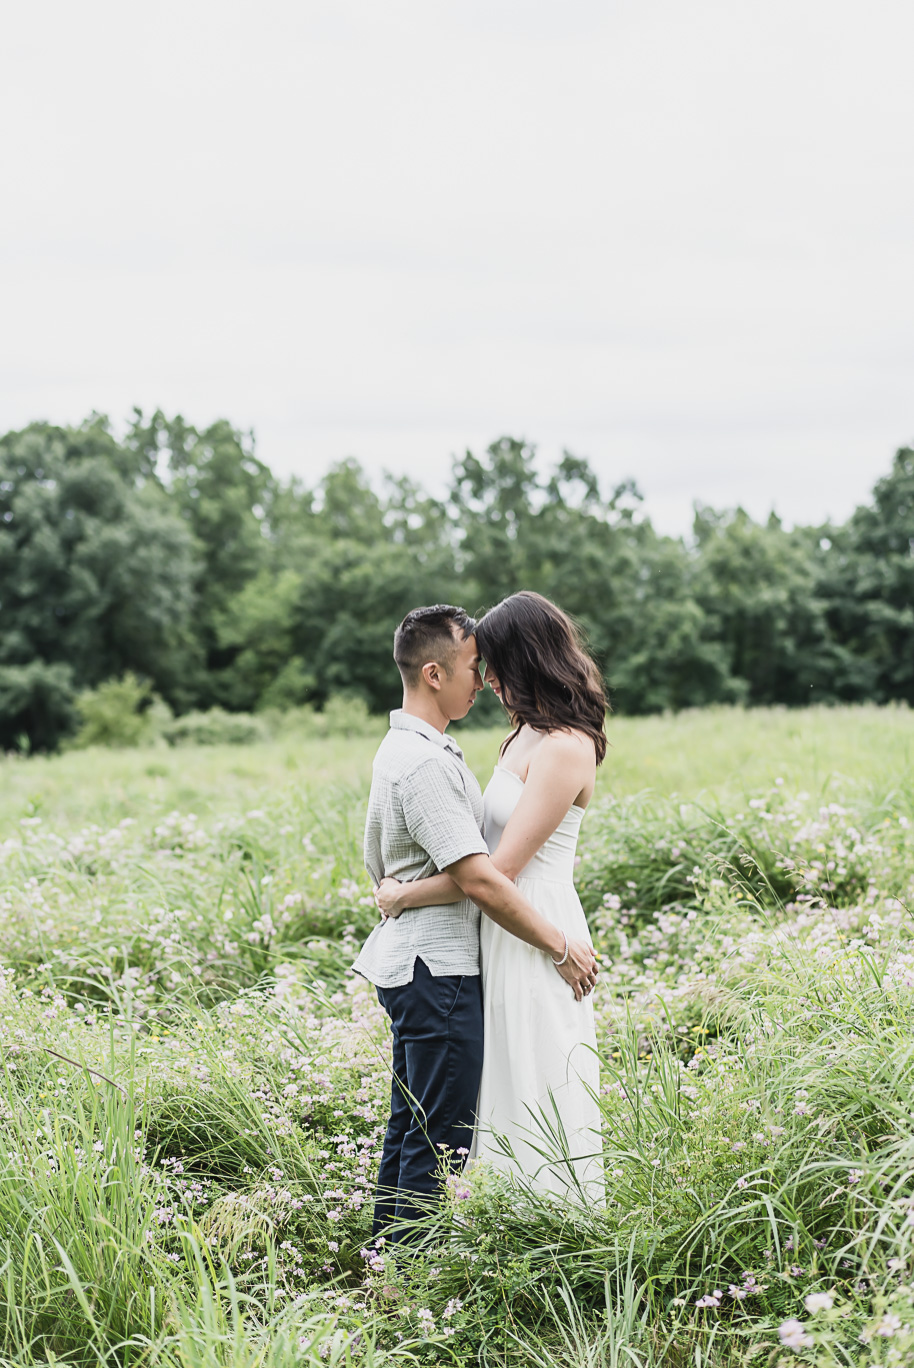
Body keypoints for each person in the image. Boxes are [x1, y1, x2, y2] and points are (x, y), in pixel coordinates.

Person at [352, 604, 597, 1243]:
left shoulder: (562, 746)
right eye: (474, 665)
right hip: (490, 932)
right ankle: (419, 1262)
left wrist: (402, 895)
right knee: (446, 1116)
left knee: (527, 1079)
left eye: (493, 664)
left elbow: (496, 872)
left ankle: (549, 1234)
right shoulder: (495, 743)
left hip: (527, 923)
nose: (485, 678)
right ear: (435, 673)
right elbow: (480, 874)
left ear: (527, 660)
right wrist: (402, 895)